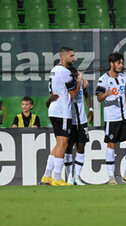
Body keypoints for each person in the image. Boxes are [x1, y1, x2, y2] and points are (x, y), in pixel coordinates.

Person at [40, 47, 82, 186]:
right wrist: (80, 82)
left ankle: (46, 176)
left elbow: (53, 91)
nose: (74, 58)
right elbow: (73, 95)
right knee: (63, 143)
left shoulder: (54, 70)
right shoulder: (65, 72)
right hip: (62, 111)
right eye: (71, 56)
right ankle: (57, 178)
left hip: (54, 110)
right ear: (63, 57)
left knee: (59, 144)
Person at [96, 52, 126, 185]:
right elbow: (98, 97)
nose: (121, 65)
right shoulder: (103, 79)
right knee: (111, 145)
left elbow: (124, 93)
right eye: (118, 63)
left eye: (122, 63)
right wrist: (105, 94)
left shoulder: (123, 78)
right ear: (111, 64)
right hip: (112, 118)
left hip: (124, 116)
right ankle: (111, 177)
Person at [63, 66, 92, 186]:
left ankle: (76, 177)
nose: (75, 77)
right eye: (74, 76)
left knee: (81, 147)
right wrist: (80, 82)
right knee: (68, 149)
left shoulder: (81, 85)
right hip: (70, 121)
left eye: (76, 75)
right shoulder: (66, 86)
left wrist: (91, 109)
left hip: (82, 122)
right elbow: (73, 96)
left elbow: (87, 95)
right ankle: (69, 177)